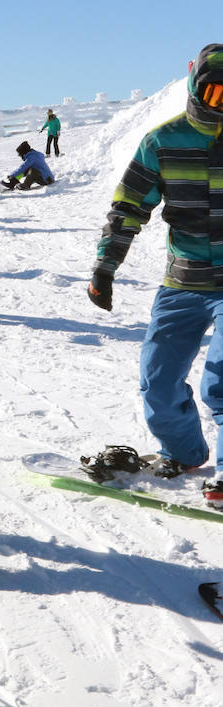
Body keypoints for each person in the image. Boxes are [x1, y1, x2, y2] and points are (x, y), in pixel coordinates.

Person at [88, 43, 223, 504]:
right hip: (183, 281)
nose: (222, 105)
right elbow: (127, 208)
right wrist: (105, 268)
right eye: (216, 92)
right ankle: (184, 451)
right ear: (196, 89)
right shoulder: (163, 142)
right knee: (158, 380)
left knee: (221, 378)